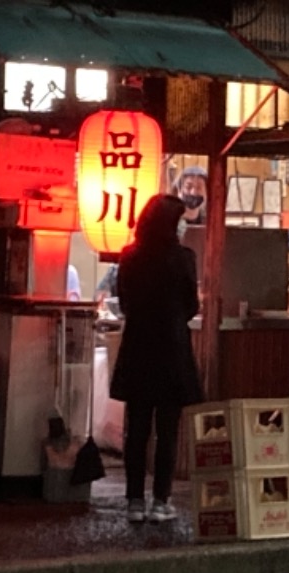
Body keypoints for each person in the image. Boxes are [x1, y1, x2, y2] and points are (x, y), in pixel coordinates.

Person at [110, 193, 203, 523]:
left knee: (136, 429)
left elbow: (124, 304)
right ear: (170, 223)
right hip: (172, 349)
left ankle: (134, 501)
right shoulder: (184, 259)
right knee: (167, 429)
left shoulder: (129, 257)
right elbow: (192, 305)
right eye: (179, 220)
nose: (183, 226)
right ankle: (161, 501)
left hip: (138, 348)